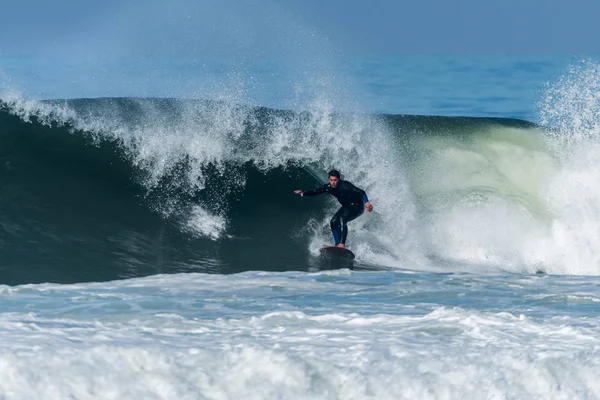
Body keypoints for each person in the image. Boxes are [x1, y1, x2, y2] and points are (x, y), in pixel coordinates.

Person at [294, 169, 373, 248]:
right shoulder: (328, 187)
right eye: (331, 180)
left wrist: (367, 202)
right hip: (347, 206)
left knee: (343, 218)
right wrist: (303, 193)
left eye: (335, 180)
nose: (333, 182)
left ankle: (342, 244)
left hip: (357, 206)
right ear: (329, 179)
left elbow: (361, 191)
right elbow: (316, 191)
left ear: (338, 179)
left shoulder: (345, 185)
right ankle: (337, 244)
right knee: (333, 221)